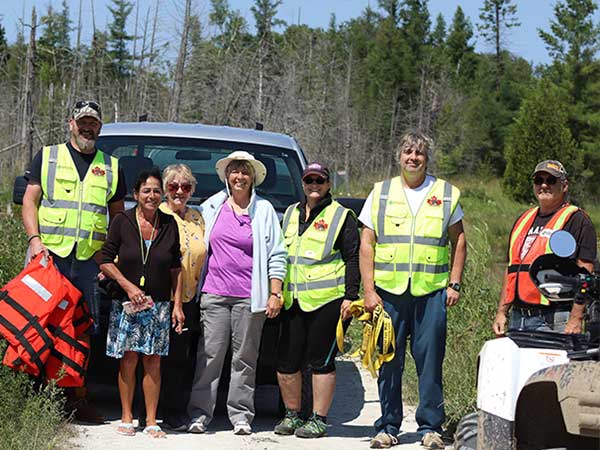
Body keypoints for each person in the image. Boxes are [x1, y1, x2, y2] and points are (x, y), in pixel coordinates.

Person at [358, 132, 466, 450]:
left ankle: (430, 428)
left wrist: (454, 282)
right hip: (388, 293)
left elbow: (459, 239)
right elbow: (367, 242)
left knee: (430, 361)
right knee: (388, 360)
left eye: (419, 153)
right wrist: (368, 291)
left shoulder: (446, 193)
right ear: (399, 156)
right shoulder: (380, 192)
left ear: (426, 158)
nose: (413, 157)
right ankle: (388, 426)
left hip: (431, 293)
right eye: (407, 151)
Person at [21, 100, 126, 423]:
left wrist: (110, 256)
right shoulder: (49, 156)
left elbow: (117, 216)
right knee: (40, 325)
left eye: (93, 122)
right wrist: (34, 240)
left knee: (83, 330)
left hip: (89, 264)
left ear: (100, 128)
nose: (87, 127)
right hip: (49, 258)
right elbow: (29, 199)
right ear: (71, 123)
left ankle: (76, 397)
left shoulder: (111, 166)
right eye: (82, 121)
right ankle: (34, 396)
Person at [187, 150, 287, 435]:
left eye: (245, 171)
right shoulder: (211, 207)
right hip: (214, 293)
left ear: (253, 177)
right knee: (210, 355)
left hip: (249, 296)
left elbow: (277, 254)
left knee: (244, 359)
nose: (239, 176)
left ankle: (241, 415)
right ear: (226, 176)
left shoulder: (265, 210)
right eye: (235, 171)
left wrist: (275, 293)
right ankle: (199, 413)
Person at [275, 162, 360, 438]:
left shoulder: (341, 215)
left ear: (328, 185)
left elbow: (353, 258)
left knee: (321, 361)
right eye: (309, 181)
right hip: (292, 299)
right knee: (287, 360)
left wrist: (351, 297)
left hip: (328, 301)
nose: (314, 186)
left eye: (319, 181)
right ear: (303, 183)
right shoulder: (289, 213)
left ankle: (319, 419)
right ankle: (292, 415)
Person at [100, 167, 185, 438]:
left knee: (153, 362)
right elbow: (104, 259)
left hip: (157, 304)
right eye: (146, 190)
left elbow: (176, 266)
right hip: (127, 303)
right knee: (128, 360)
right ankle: (126, 416)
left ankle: (150, 420)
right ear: (136, 194)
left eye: (157, 191)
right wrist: (127, 285)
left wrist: (177, 304)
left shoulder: (169, 223)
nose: (152, 195)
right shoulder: (122, 221)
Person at [492, 160, 597, 336]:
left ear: (564, 186)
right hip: (519, 317)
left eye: (551, 180)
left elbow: (586, 273)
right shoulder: (523, 220)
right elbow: (511, 270)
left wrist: (576, 318)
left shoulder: (577, 220)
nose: (544, 185)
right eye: (538, 180)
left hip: (555, 318)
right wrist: (502, 312)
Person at [158, 164, 206, 431]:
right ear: (164, 189)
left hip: (189, 297)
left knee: (179, 358)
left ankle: (175, 410)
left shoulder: (198, 217)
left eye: (185, 187)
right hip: (158, 297)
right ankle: (149, 410)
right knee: (153, 357)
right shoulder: (156, 214)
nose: (179, 191)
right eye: (173, 186)